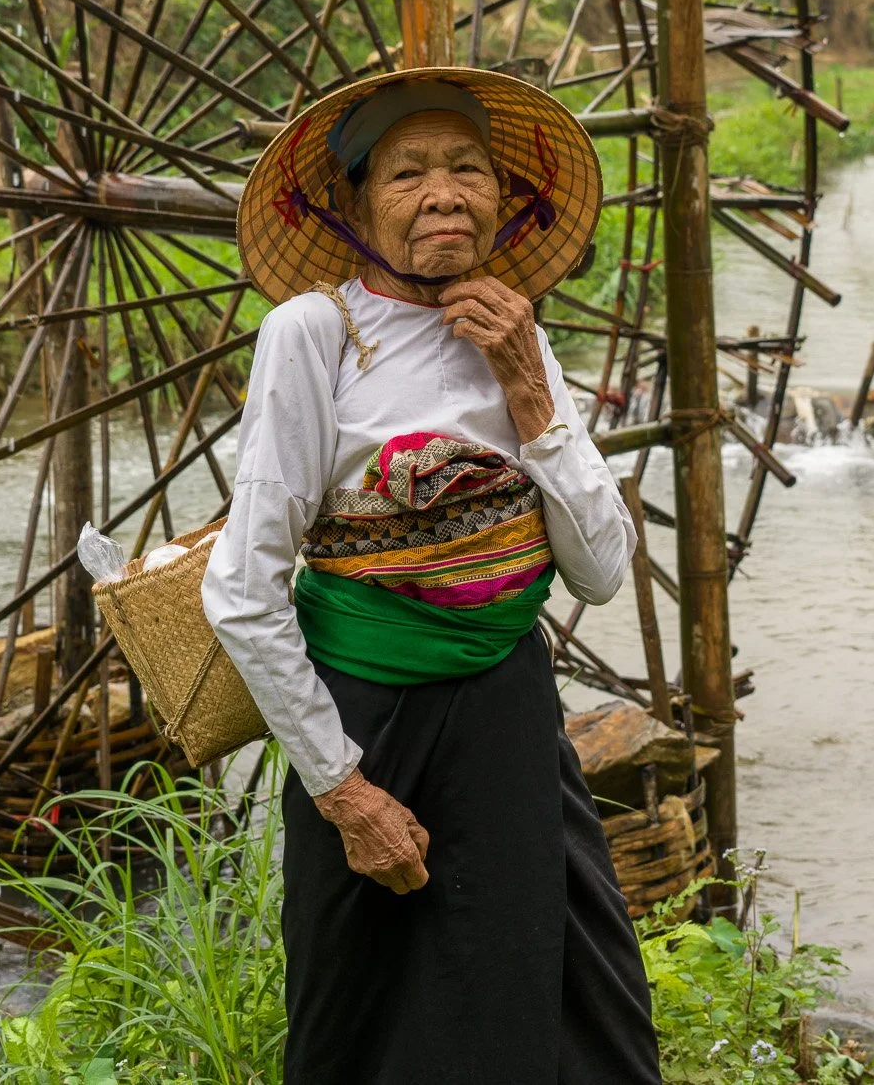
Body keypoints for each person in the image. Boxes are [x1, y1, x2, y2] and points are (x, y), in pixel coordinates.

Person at [206, 69, 661, 1085]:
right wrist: (344, 790)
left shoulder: (517, 328)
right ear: (356, 204)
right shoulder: (313, 334)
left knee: (573, 1006)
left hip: (507, 710)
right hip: (368, 719)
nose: (442, 192)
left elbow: (597, 570)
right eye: (407, 172)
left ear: (505, 197)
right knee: (365, 1017)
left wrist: (527, 385)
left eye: (467, 168)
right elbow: (243, 587)